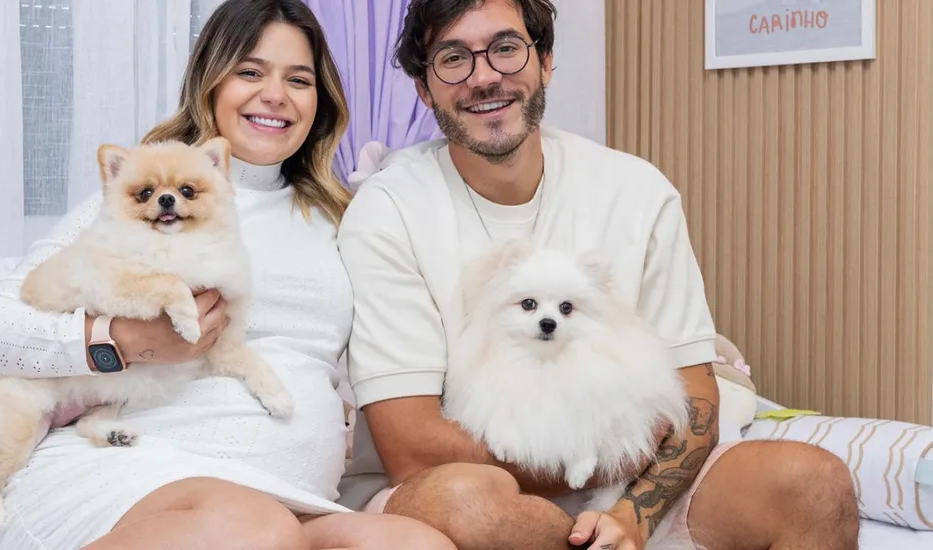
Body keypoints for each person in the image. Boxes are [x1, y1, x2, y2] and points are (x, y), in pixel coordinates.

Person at [335, 0, 861, 549]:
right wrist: (600, 461)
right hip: (452, 488)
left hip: (626, 485)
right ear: (424, 89)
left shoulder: (636, 190)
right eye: (452, 58)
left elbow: (695, 396)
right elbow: (414, 450)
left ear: (546, 62)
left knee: (813, 483)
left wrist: (633, 515)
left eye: (506, 48)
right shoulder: (388, 211)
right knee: (472, 502)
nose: (484, 76)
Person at [0, 1, 456, 549]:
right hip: (128, 474)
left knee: (412, 543)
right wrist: (118, 341)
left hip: (288, 503)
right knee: (253, 529)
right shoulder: (131, 205)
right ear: (210, 82)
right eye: (251, 72)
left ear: (321, 99)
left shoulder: (346, 218)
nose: (276, 95)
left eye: (299, 79)